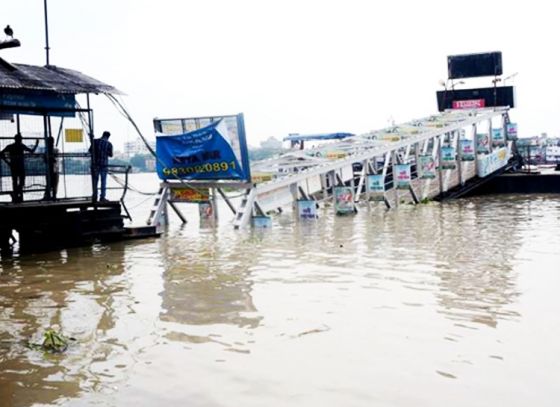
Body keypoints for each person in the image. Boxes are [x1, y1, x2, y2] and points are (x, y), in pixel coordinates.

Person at [0, 133, 38, 203]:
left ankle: (16, 194)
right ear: (20, 139)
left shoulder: (11, 146)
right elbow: (32, 151)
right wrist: (36, 145)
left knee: (15, 182)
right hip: (20, 166)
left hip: (13, 166)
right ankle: (18, 194)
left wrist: (7, 162)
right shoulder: (21, 146)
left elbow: (1, 153)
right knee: (21, 181)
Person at [90, 131, 113, 202]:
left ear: (102, 135)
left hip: (95, 165)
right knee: (103, 182)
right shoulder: (109, 144)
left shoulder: (95, 142)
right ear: (108, 137)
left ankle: (94, 197)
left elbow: (90, 151)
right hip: (104, 165)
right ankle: (102, 197)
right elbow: (111, 155)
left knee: (95, 182)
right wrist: (105, 152)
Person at [43, 136, 60, 200]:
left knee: (54, 183)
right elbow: (45, 159)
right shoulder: (48, 150)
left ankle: (53, 196)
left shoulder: (55, 150)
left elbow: (55, 159)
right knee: (49, 183)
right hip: (50, 169)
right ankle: (48, 196)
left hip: (54, 169)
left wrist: (49, 157)